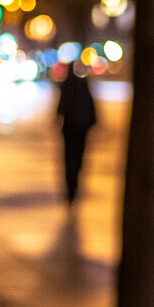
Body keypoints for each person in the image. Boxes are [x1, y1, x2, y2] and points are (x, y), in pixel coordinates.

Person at [56, 67, 97, 206]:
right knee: (78, 158)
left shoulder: (67, 87)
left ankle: (70, 188)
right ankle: (74, 186)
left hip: (70, 130)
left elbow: (60, 109)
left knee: (69, 159)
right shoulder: (84, 88)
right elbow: (93, 112)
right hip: (81, 130)